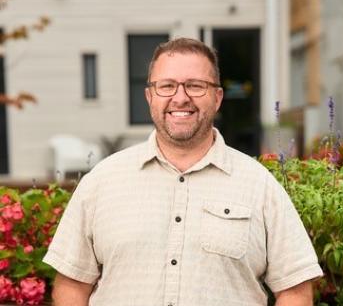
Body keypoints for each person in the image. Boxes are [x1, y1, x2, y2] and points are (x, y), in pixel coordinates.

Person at [43, 37, 323, 306]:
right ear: (149, 96)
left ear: (217, 97)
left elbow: (295, 290)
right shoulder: (102, 182)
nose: (180, 98)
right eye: (166, 86)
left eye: (195, 85)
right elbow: (72, 285)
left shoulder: (260, 186)